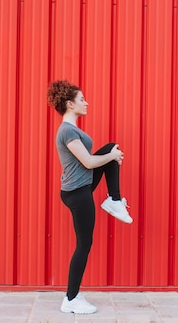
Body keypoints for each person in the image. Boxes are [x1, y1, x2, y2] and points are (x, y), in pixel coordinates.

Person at [47, 79, 133, 315]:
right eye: (82, 99)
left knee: (111, 148)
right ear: (69, 104)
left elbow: (92, 161)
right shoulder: (67, 131)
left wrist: (111, 154)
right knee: (84, 244)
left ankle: (114, 200)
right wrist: (112, 157)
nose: (86, 103)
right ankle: (71, 299)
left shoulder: (72, 130)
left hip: (80, 186)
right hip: (77, 193)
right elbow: (88, 161)